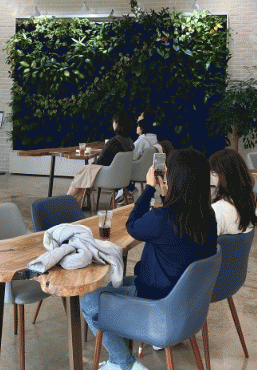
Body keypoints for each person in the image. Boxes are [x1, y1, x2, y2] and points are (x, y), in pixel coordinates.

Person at [81, 149, 218, 370]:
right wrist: (165, 194)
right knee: (117, 284)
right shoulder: (207, 216)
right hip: (185, 302)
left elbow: (133, 225)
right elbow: (175, 225)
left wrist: (149, 188)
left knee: (88, 301)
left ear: (176, 179)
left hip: (157, 303)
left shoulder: (163, 218)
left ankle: (124, 363)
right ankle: (120, 354)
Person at [67, 111, 135, 205]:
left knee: (83, 175)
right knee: (84, 178)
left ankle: (67, 200)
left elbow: (100, 161)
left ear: (117, 124)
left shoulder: (113, 143)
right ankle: (73, 204)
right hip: (121, 176)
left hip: (108, 176)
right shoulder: (129, 142)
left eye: (114, 122)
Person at [208, 148, 257, 235]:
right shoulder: (250, 205)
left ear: (223, 176)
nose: (212, 177)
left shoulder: (217, 211)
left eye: (213, 173)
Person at [116, 118, 159, 201]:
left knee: (119, 165)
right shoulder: (154, 138)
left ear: (142, 128)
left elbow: (132, 156)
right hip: (150, 170)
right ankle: (129, 189)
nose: (137, 128)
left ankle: (124, 190)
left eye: (138, 126)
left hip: (138, 171)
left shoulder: (142, 140)